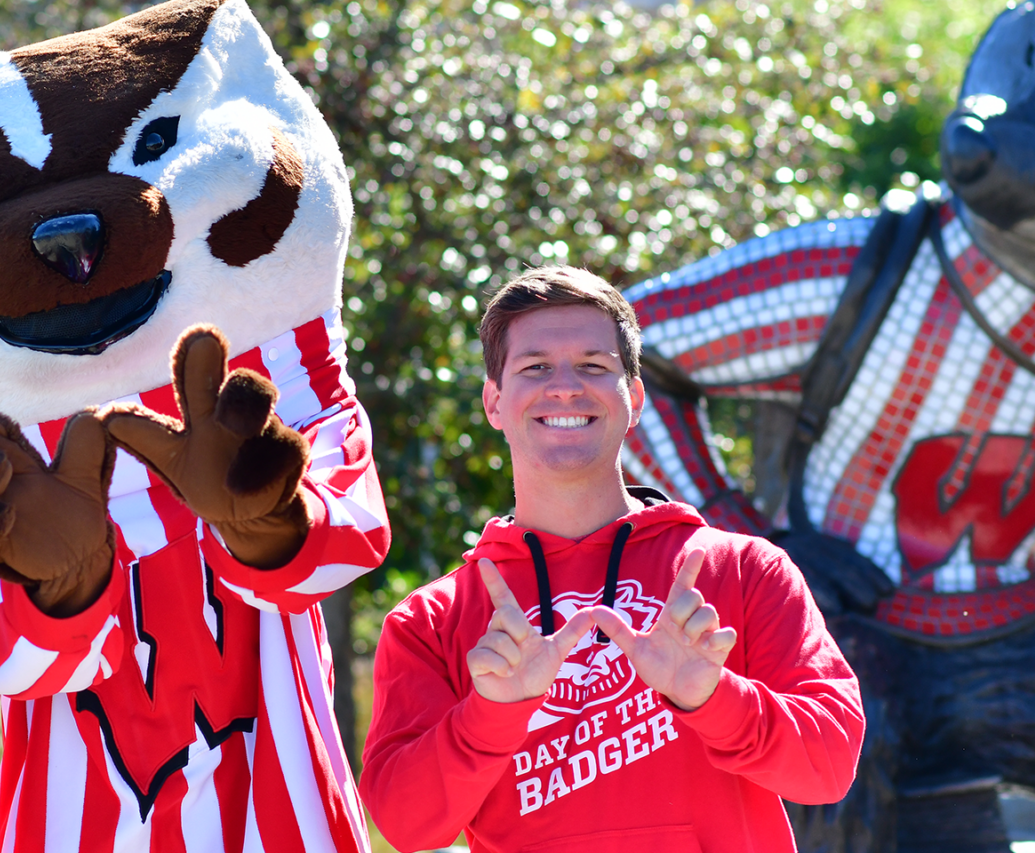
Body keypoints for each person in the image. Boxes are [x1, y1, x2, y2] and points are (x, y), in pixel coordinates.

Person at [362, 267, 863, 852]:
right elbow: (404, 825)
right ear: (495, 402)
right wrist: (492, 713)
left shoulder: (744, 571)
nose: (566, 386)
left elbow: (828, 768)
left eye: (595, 366)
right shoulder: (433, 620)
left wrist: (711, 696)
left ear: (636, 397)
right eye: (535, 367)